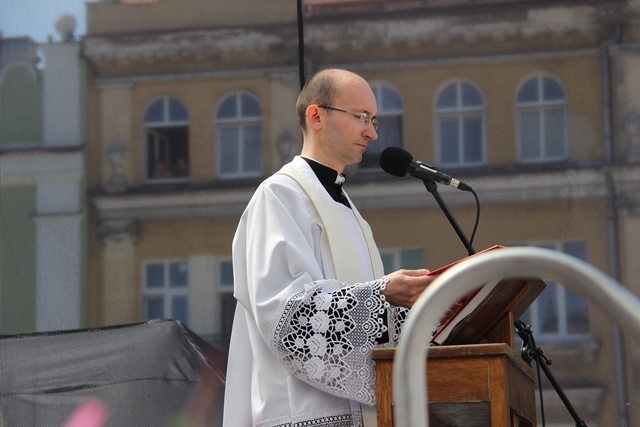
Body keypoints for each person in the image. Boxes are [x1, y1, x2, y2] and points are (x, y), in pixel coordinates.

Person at [223, 69, 436, 427]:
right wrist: (382, 293)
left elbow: (365, 324)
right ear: (316, 116)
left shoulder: (351, 214)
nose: (372, 133)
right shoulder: (279, 196)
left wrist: (429, 314)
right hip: (304, 413)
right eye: (361, 117)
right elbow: (288, 315)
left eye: (374, 120)